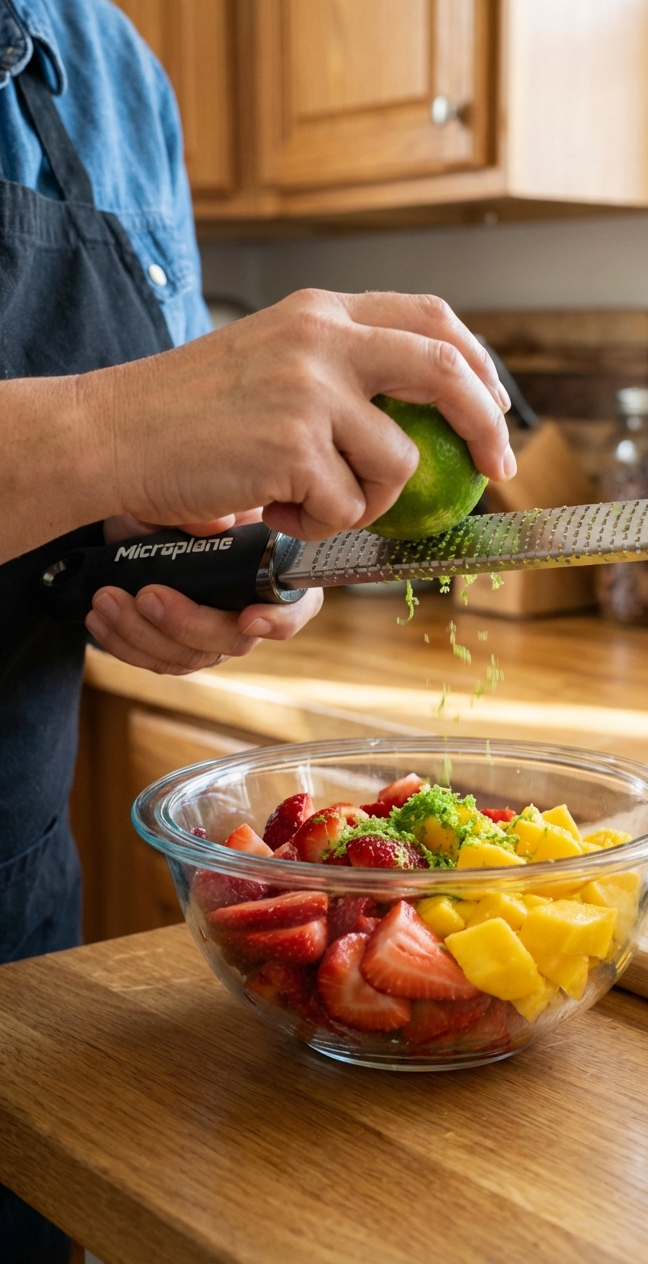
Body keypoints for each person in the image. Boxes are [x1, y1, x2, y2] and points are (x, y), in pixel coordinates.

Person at [0, 1, 514, 1258]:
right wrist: (110, 426)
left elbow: (88, 510)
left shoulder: (117, 72)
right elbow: (103, 425)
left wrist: (176, 563)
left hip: (16, 933)